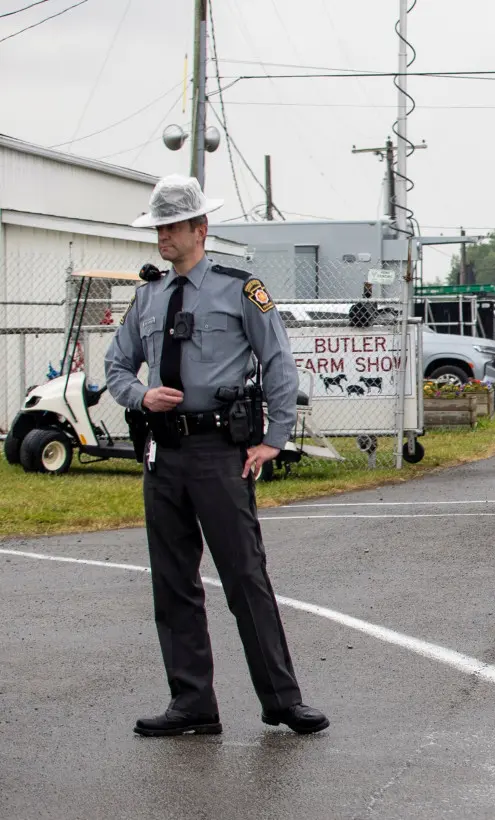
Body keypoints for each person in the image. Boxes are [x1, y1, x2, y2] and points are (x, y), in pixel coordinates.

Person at [104, 175, 328, 737]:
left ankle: (282, 699)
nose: (162, 236)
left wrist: (276, 436)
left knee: (244, 577)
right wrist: (141, 395)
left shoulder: (239, 288)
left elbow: (277, 360)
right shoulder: (149, 295)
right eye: (157, 227)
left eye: (172, 226)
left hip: (218, 453)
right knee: (173, 582)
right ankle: (192, 705)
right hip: (165, 452)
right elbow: (115, 367)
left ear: (200, 229)